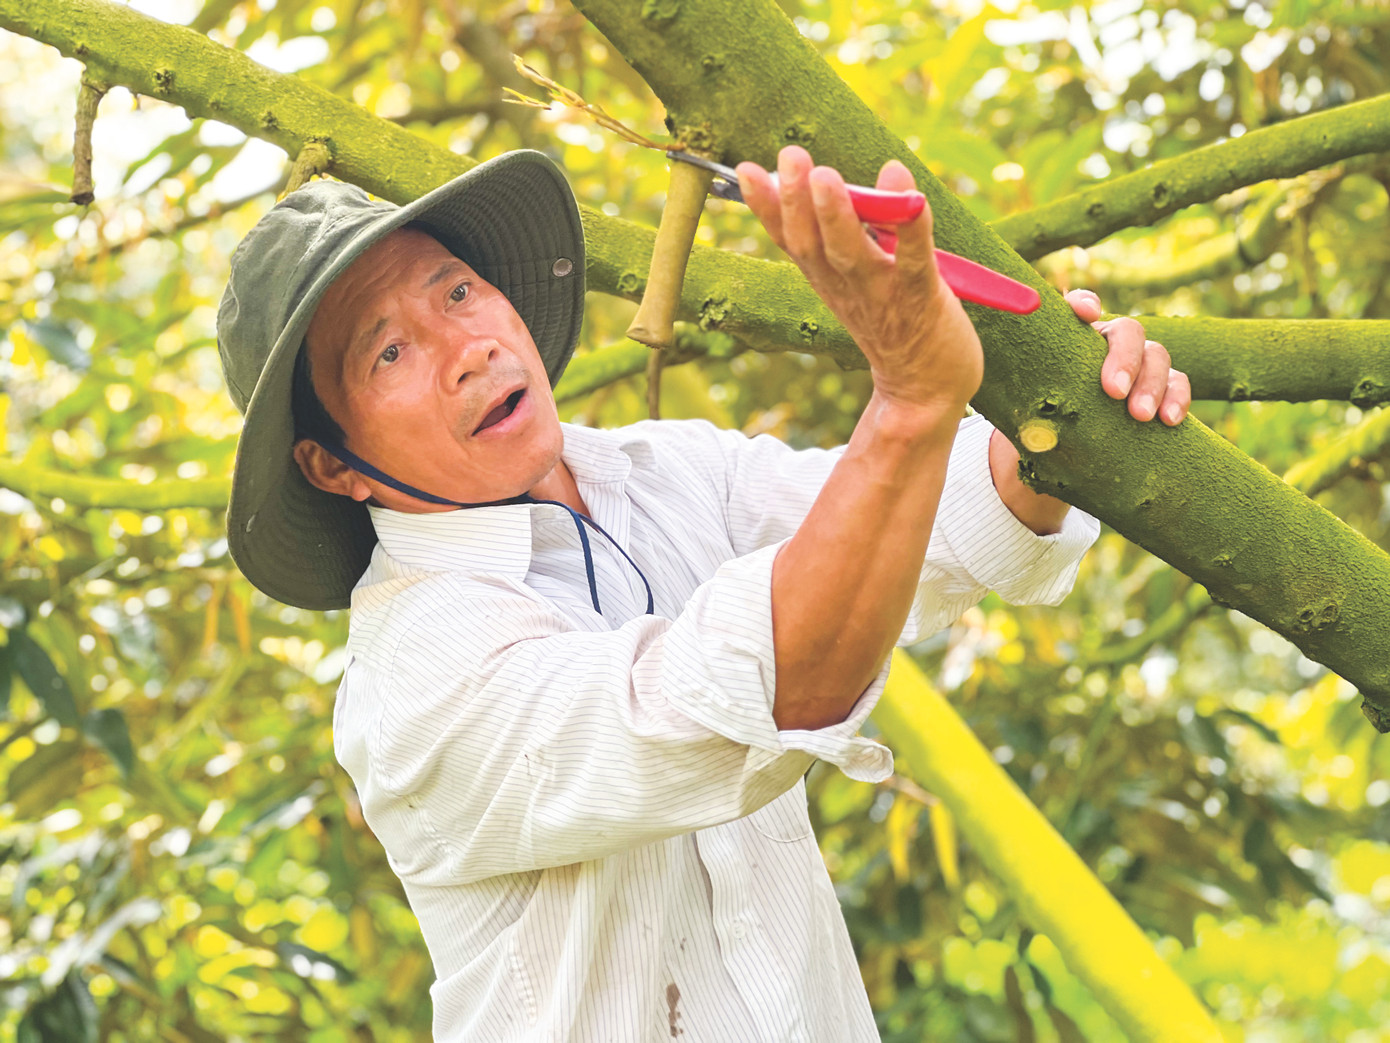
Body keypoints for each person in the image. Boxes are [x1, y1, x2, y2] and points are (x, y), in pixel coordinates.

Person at [216, 145, 1190, 1042]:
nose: (465, 345)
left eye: (459, 290)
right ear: (333, 464)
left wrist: (1048, 425)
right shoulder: (416, 675)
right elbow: (746, 696)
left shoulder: (665, 470)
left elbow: (922, 522)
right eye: (387, 352)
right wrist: (910, 399)